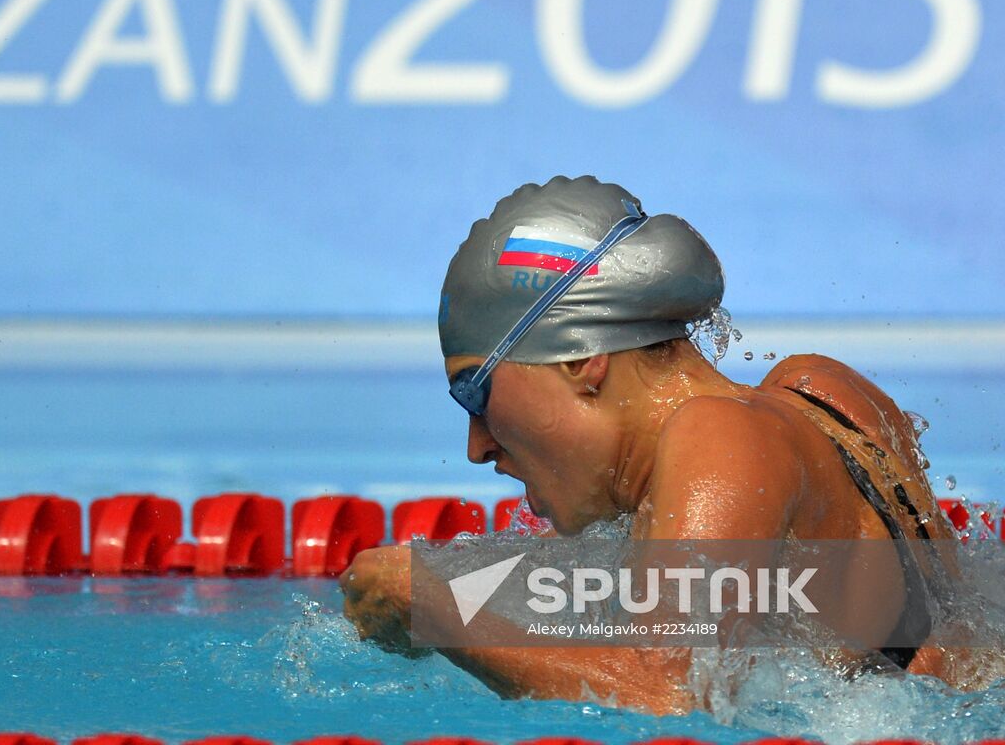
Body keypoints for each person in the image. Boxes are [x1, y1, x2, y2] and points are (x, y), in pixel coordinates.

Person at [340, 175, 968, 714]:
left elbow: (669, 700)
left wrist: (433, 609)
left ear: (581, 360)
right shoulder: (823, 392)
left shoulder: (720, 435)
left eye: (475, 393)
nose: (478, 447)